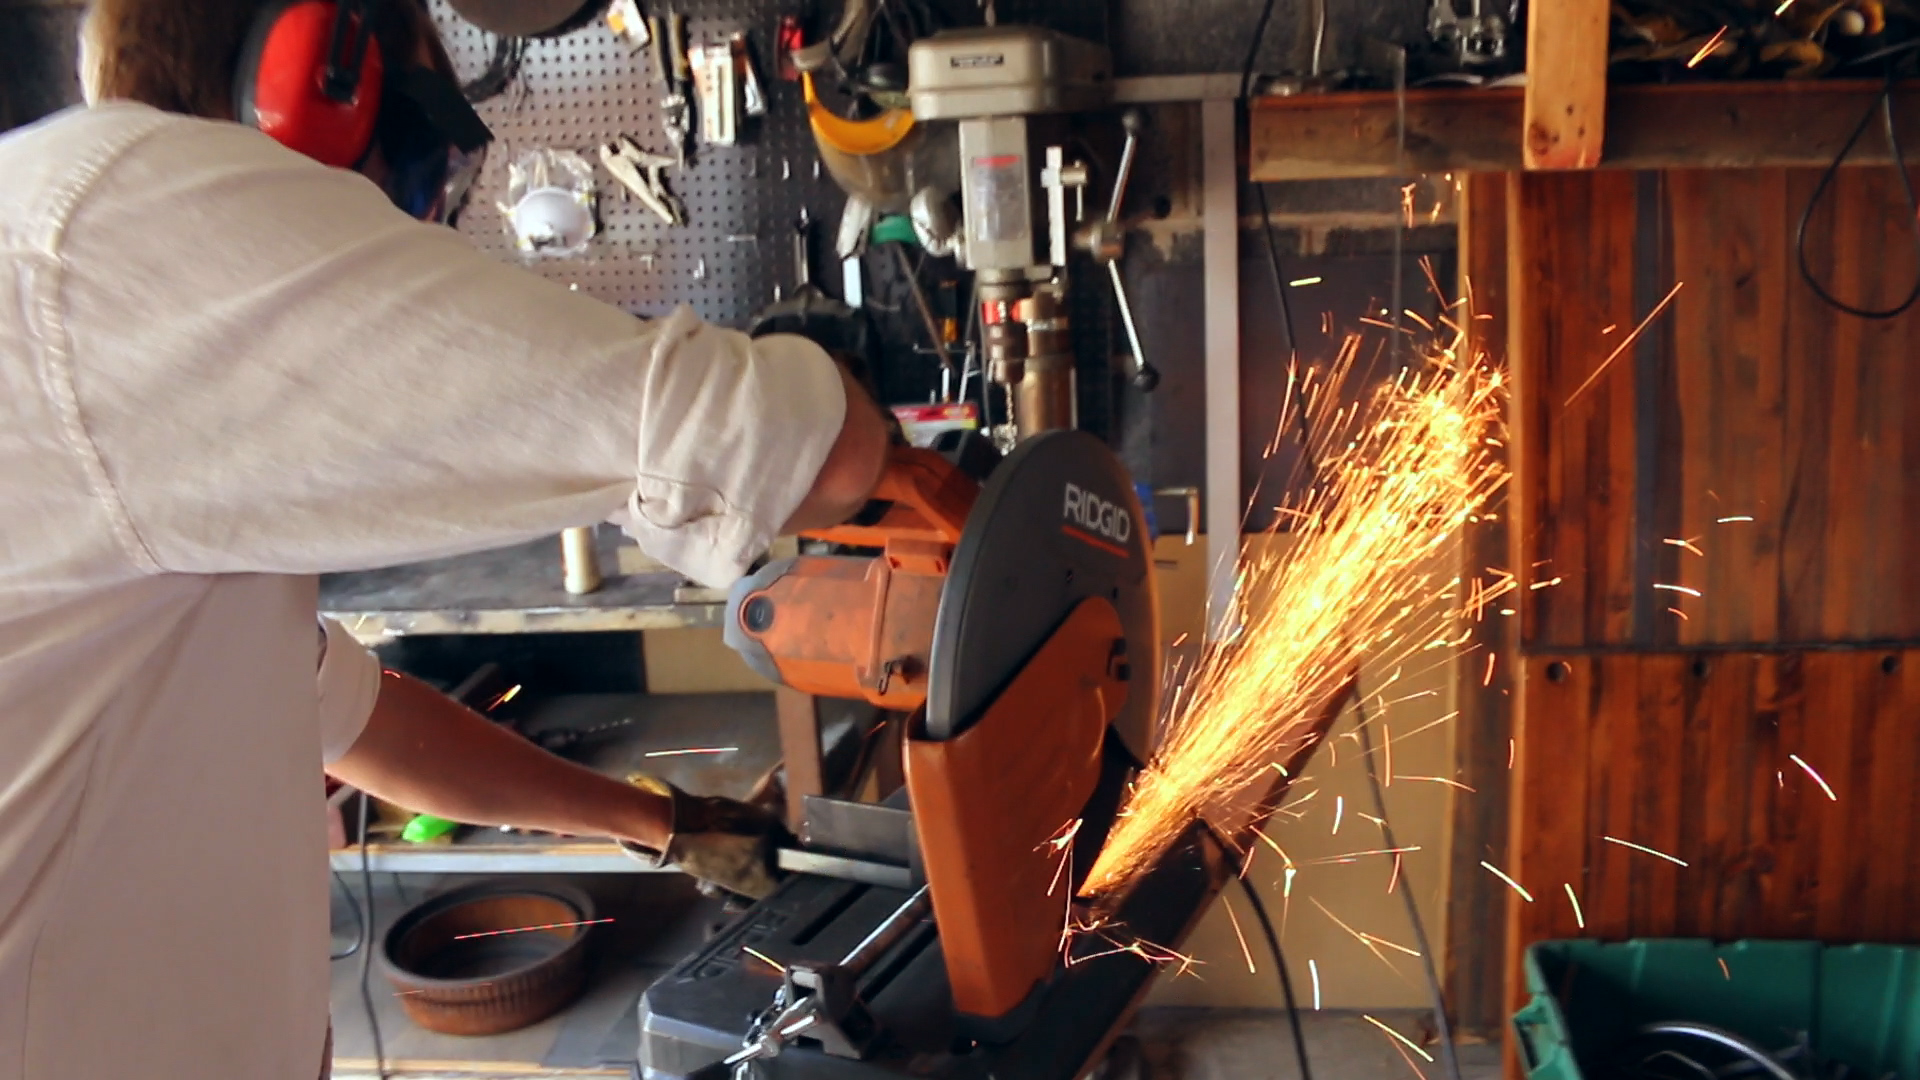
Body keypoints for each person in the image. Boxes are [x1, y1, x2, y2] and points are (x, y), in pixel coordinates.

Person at [0, 0, 891, 1075]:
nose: (420, 218)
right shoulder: (109, 234)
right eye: (420, 152)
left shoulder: (99, 335)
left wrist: (663, 823)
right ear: (316, 86)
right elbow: (815, 451)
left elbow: (357, 721)